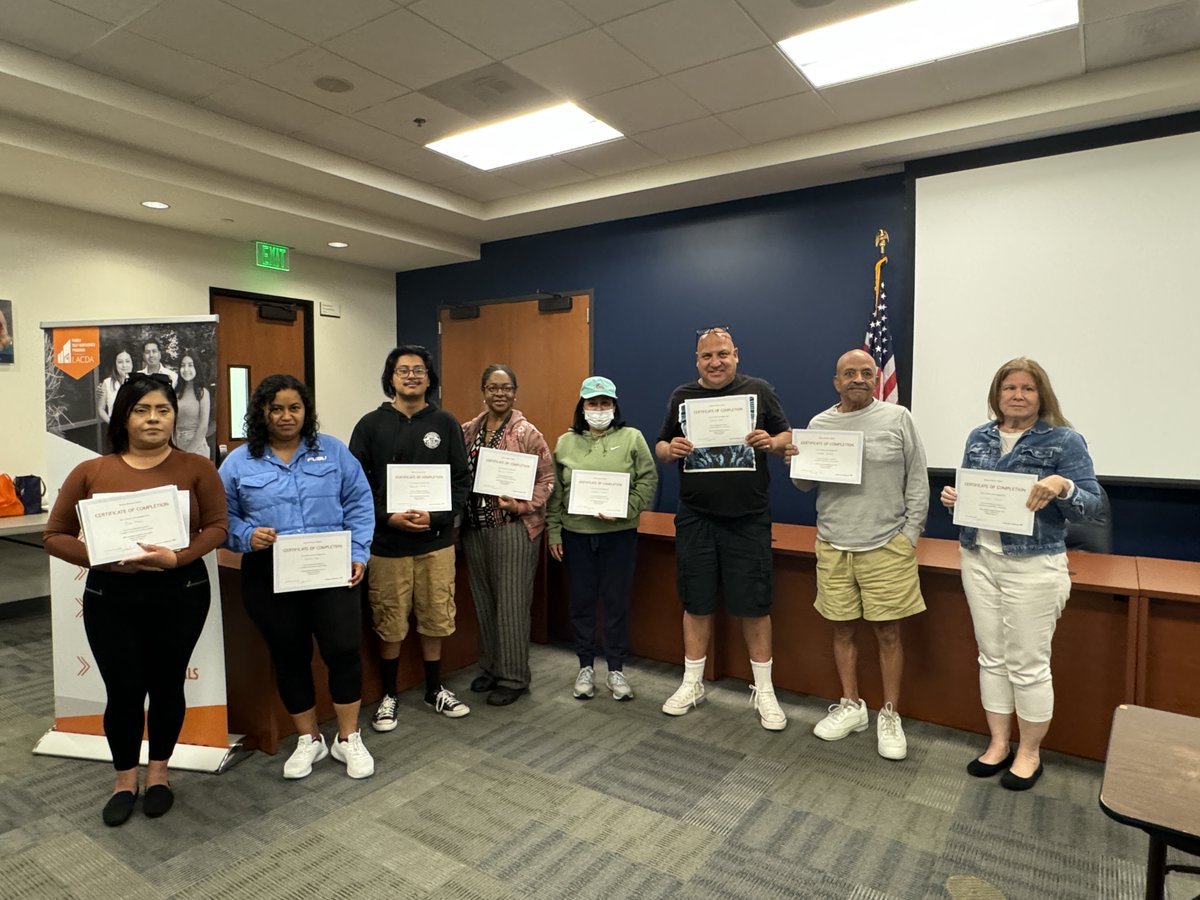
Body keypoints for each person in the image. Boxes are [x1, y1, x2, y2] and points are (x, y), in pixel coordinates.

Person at [43, 373, 227, 826]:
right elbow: (54, 535)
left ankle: (160, 774)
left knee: (167, 686)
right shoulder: (91, 471)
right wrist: (102, 559)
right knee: (123, 692)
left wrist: (178, 557)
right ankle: (125, 779)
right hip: (111, 596)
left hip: (180, 592)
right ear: (123, 416)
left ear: (174, 416)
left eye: (162, 410)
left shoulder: (198, 468)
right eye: (141, 409)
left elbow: (218, 528)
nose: (153, 419)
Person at [940, 357, 1101, 791]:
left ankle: (1029, 753)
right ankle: (998, 743)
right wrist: (955, 497)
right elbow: (973, 488)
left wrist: (1062, 487)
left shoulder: (1064, 441)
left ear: (1040, 394)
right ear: (997, 394)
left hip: (1032, 565)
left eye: (1027, 388)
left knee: (1028, 664)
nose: (1017, 395)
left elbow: (1094, 503)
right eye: (1009, 387)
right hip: (978, 556)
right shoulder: (980, 436)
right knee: (991, 656)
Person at [220, 374, 376, 780]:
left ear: (306, 412)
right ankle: (309, 738)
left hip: (331, 569)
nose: (286, 416)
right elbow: (223, 517)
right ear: (261, 414)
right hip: (270, 574)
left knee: (342, 650)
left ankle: (347, 737)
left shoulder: (334, 452)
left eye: (294, 408)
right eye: (276, 408)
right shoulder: (239, 462)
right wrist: (245, 534)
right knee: (290, 657)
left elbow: (359, 501)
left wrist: (359, 553)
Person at [791, 349, 928, 760]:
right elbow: (803, 488)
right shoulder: (819, 424)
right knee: (841, 629)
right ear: (836, 382)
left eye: (866, 373)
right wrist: (796, 461)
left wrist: (909, 538)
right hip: (834, 543)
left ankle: (889, 713)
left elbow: (917, 481)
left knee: (888, 633)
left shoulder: (898, 418)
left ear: (875, 380)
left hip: (887, 545)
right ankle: (851, 705)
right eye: (849, 373)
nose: (858, 378)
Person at [655, 326, 795, 731]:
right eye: (706, 357)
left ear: (736, 355)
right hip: (696, 516)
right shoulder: (683, 396)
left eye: (722, 354)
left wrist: (772, 440)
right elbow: (662, 446)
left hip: (748, 516)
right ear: (696, 360)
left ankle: (764, 691)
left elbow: (787, 436)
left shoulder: (759, 391)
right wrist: (671, 450)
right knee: (695, 602)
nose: (715, 362)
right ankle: (692, 683)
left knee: (754, 604)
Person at [350, 345, 472, 730]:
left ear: (428, 378)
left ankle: (435, 687)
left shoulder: (446, 422)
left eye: (419, 370)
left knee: (436, 615)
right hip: (387, 545)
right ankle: (388, 695)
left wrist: (435, 516)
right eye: (403, 370)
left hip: (435, 543)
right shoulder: (370, 425)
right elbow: (356, 485)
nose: (412, 376)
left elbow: (460, 481)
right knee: (389, 619)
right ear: (391, 378)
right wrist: (390, 516)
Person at [546, 376, 658, 701]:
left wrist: (626, 507)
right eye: (592, 404)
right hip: (577, 535)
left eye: (604, 403)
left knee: (616, 603)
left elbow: (648, 480)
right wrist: (554, 530)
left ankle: (616, 669)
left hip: (618, 536)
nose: (598, 409)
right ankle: (584, 666)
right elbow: (556, 493)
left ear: (614, 406)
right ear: (582, 407)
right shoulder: (565, 443)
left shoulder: (632, 438)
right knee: (581, 603)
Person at [461, 364, 555, 706]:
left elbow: (547, 480)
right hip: (475, 531)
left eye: (505, 388)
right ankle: (491, 667)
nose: (498, 393)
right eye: (492, 387)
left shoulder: (528, 433)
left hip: (513, 529)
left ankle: (514, 678)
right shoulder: (468, 430)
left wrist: (522, 506)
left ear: (515, 392)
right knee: (485, 603)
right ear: (483, 391)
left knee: (512, 605)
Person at [174, 351, 212, 457]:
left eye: (190, 365)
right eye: (182, 365)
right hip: (177, 446)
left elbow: (203, 427)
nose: (186, 369)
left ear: (197, 368)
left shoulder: (202, 392)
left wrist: (188, 453)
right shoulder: (176, 393)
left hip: (197, 448)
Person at [97, 346, 134, 424]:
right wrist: (112, 424)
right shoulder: (107, 383)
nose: (124, 365)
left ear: (132, 363)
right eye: (120, 362)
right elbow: (101, 409)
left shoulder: (140, 381)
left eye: (127, 361)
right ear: (115, 364)